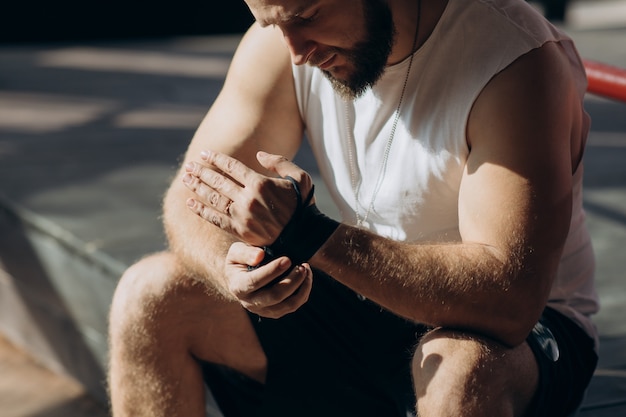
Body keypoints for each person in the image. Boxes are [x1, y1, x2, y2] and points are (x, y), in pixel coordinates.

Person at [107, 0, 600, 416]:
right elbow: (192, 195)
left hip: (515, 335)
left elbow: (509, 301)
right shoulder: (283, 43)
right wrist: (233, 270)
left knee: (460, 369)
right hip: (365, 297)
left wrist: (312, 235)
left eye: (308, 14)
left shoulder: (513, 60)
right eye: (271, 22)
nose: (296, 51)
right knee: (150, 295)